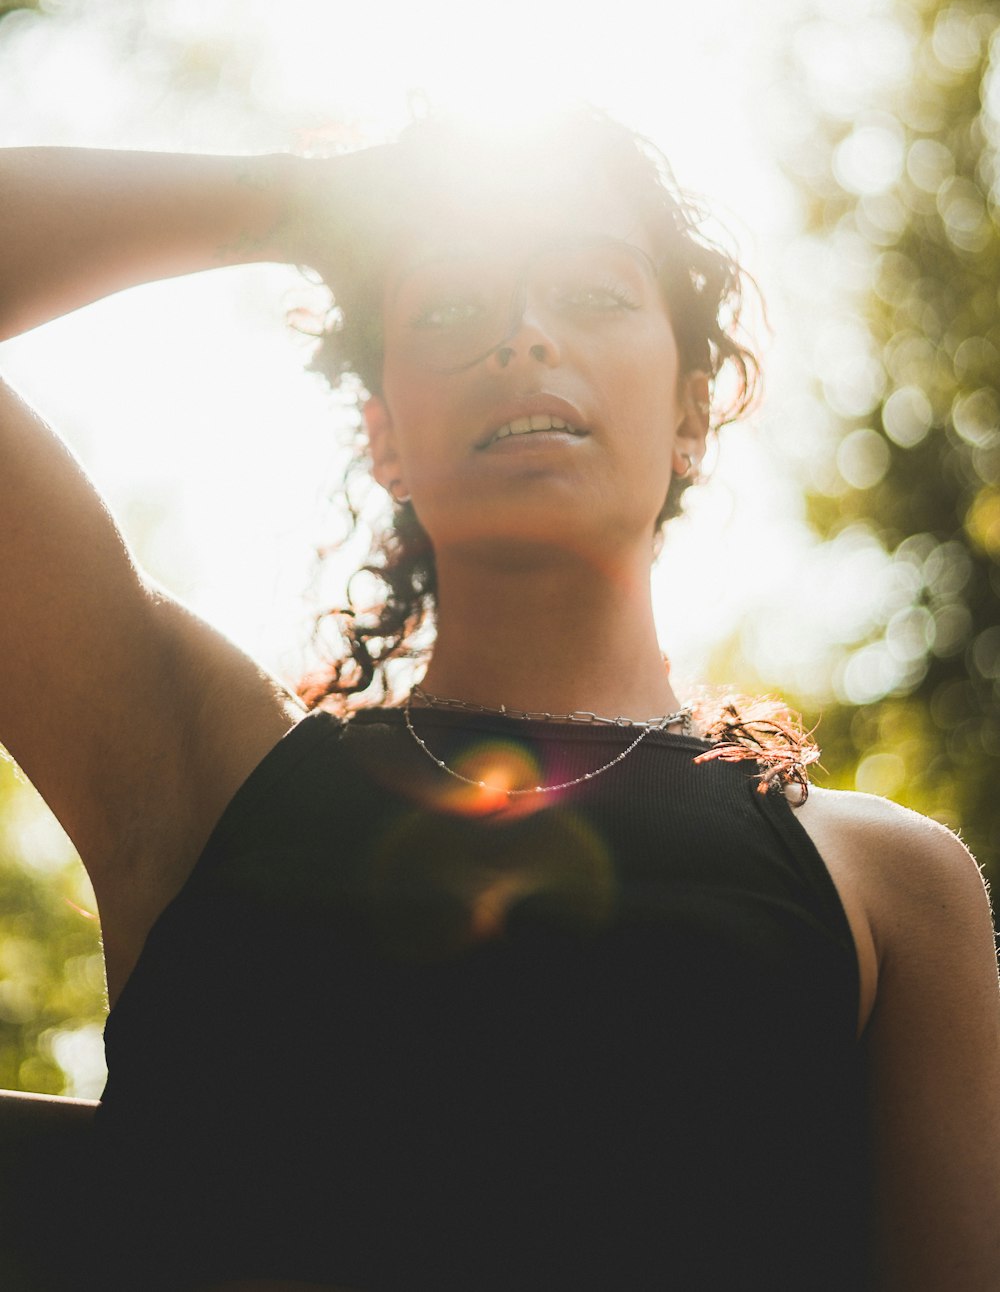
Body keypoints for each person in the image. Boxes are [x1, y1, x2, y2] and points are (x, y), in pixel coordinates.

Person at [0, 107, 998, 1292]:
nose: (522, 337)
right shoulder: (201, 770)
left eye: (592, 294)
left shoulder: (884, 884)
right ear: (386, 437)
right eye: (450, 310)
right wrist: (314, 202)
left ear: (691, 408)